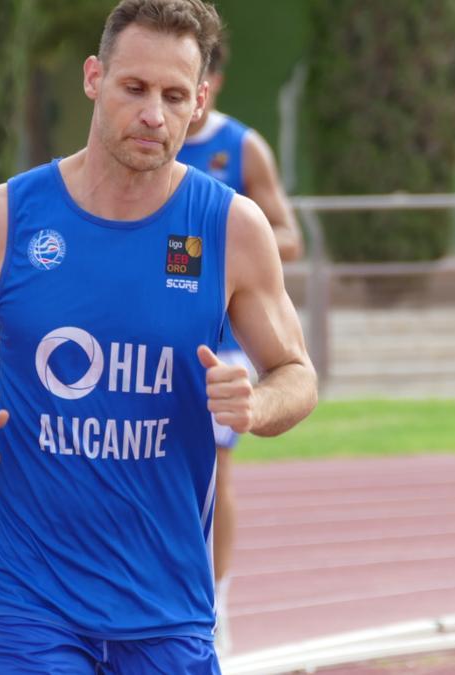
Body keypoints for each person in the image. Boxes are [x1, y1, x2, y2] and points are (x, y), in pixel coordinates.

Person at [0, 0, 318, 671]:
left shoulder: (231, 227)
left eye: (175, 95)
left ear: (200, 101)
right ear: (94, 78)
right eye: (135, 88)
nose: (154, 114)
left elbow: (297, 374)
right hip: (28, 593)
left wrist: (257, 403)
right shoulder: (3, 216)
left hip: (166, 597)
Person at [175, 38, 304, 656]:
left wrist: (223, 245)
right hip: (149, 337)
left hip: (222, 345)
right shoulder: (142, 142)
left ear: (212, 83)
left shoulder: (241, 146)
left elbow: (290, 236)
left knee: (216, 471)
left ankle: (216, 597)